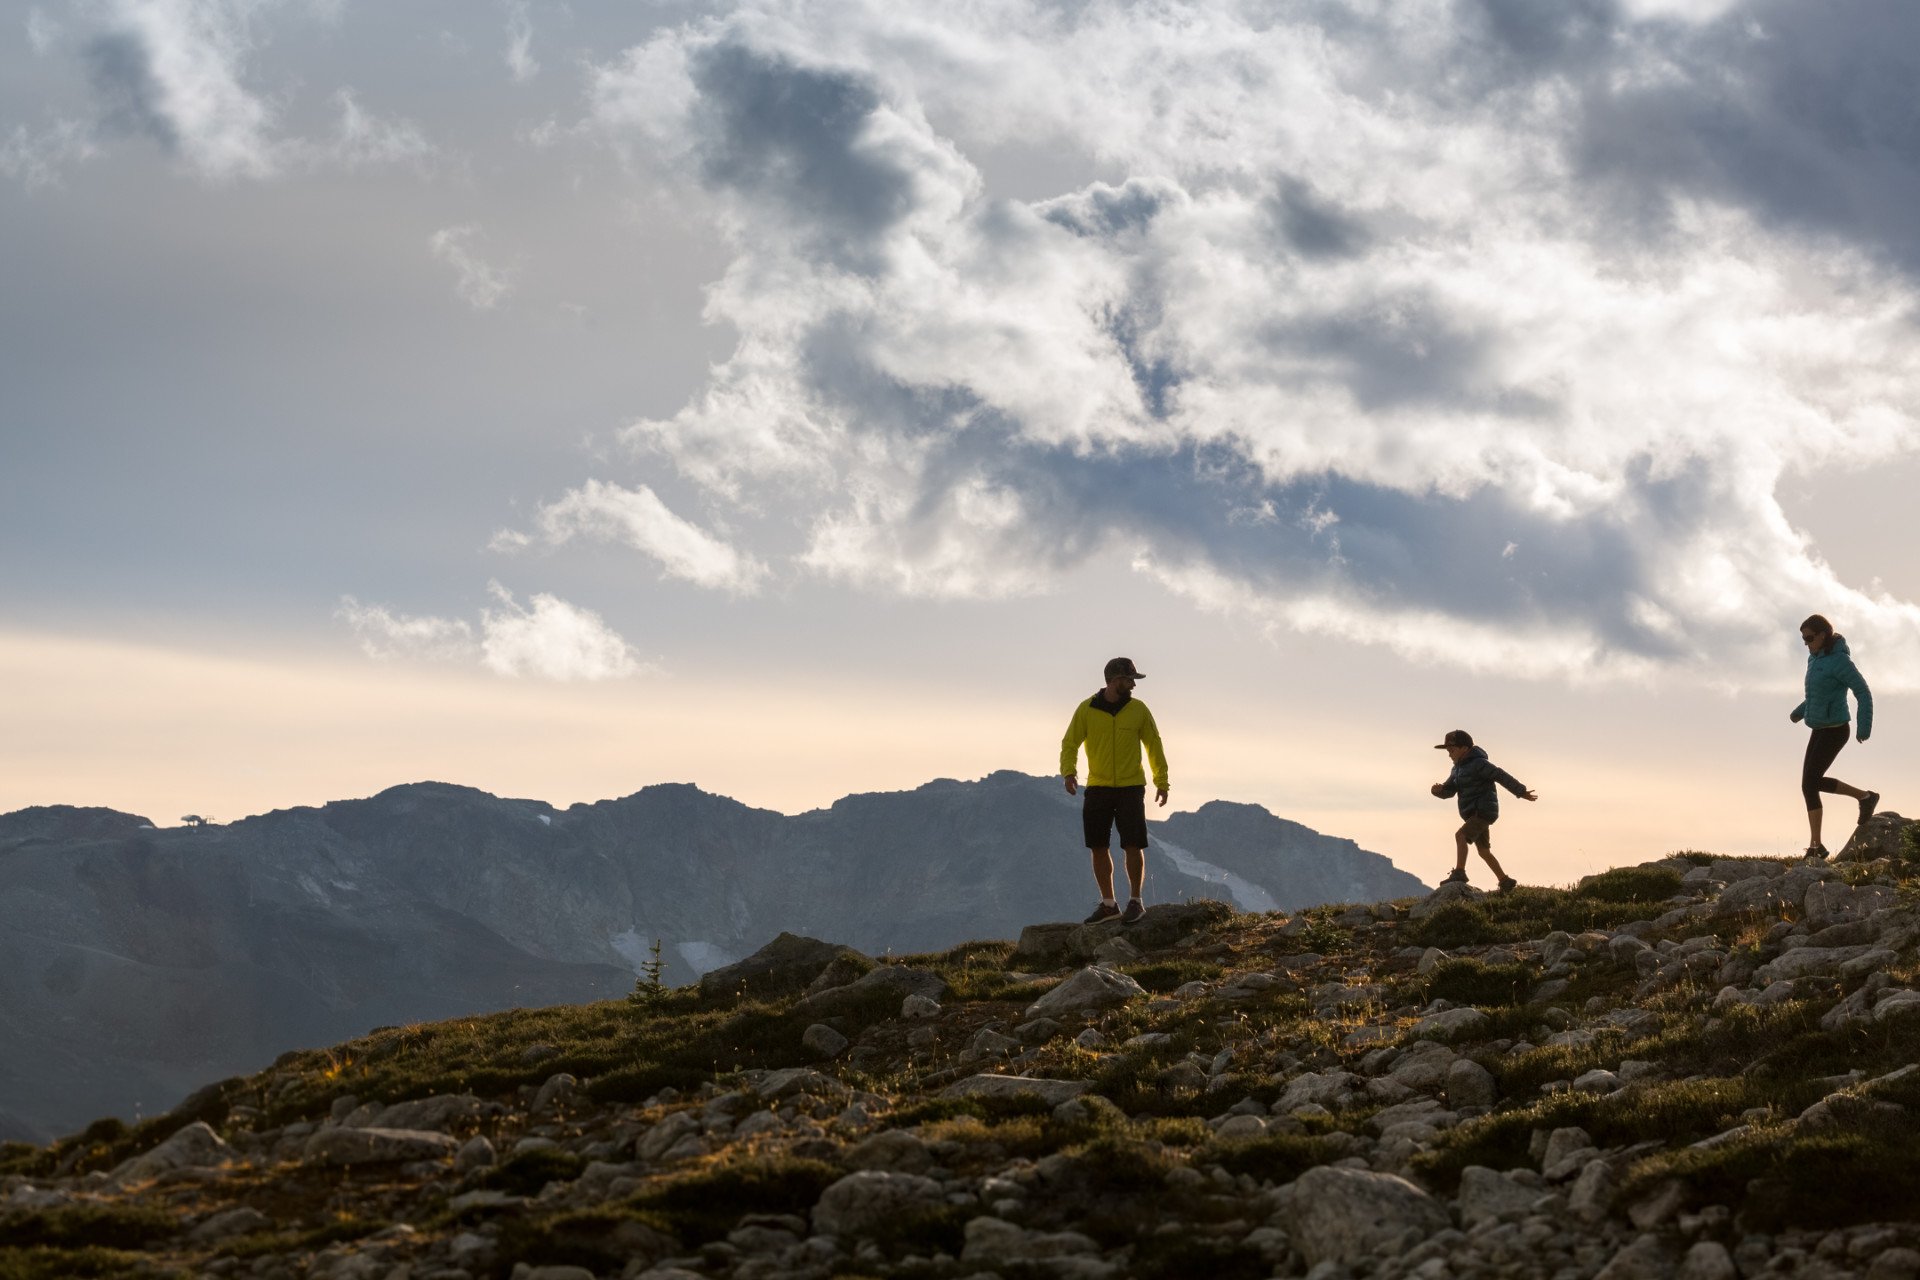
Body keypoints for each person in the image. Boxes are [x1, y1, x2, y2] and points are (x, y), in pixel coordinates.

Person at [1060, 657, 1169, 924]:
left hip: (1131, 787)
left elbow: (1154, 745)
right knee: (1098, 846)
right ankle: (1109, 905)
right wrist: (1069, 771)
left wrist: (1162, 781)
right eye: (1129, 679)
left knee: (1133, 844)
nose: (1133, 684)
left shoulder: (1139, 710)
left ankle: (1135, 901)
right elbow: (1070, 742)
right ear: (1113, 680)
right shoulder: (1086, 710)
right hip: (1098, 787)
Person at [1791, 614, 1877, 861]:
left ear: (1822, 635)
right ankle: (1818, 844)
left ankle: (1817, 846)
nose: (1806, 644)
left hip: (1837, 730)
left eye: (1809, 638)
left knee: (1810, 782)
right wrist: (1799, 712)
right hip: (1819, 728)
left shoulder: (1840, 661)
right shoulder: (1814, 659)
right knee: (1809, 784)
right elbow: (1818, 694)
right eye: (1803, 639)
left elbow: (1863, 692)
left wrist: (1864, 727)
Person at [1430, 729, 1536, 892]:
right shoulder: (1456, 769)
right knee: (1484, 850)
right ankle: (1504, 880)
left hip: (1483, 810)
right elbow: (1449, 791)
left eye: (1452, 750)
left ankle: (1459, 872)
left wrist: (1520, 791)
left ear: (1464, 748)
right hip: (1473, 813)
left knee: (1461, 836)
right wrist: (1438, 791)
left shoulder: (1479, 764)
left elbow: (1500, 775)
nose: (1449, 754)